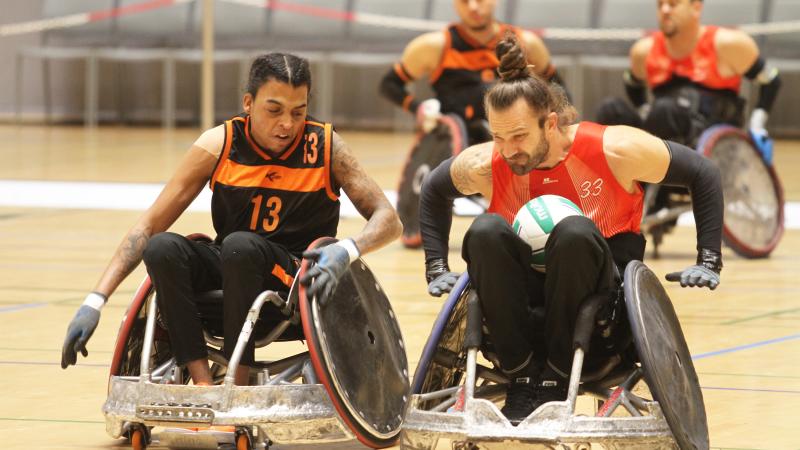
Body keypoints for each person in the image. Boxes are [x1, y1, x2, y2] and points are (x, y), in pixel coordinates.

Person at [419, 33, 724, 425]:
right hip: (523, 316)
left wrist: (709, 259)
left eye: (519, 136)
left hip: (603, 316)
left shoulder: (614, 150)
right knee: (484, 230)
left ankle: (558, 377)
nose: (507, 149)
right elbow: (432, 191)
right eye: (498, 137)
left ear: (550, 123)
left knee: (575, 232)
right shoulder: (488, 163)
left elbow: (704, 172)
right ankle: (522, 373)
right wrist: (436, 267)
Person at [60, 53, 402, 387]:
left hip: (295, 279)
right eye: (275, 110)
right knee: (162, 247)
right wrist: (95, 301)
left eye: (299, 112)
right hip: (235, 265)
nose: (287, 123)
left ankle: (237, 388)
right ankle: (204, 385)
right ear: (249, 103)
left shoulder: (325, 146)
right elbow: (148, 226)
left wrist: (348, 250)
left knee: (240, 245)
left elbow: (389, 219)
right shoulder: (219, 143)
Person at [380, 0, 567, 247]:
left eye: (480, 0)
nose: (474, 8)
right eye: (465, 1)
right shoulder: (434, 46)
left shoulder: (526, 43)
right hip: (460, 143)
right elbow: (389, 84)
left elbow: (560, 93)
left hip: (516, 138)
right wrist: (419, 108)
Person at [596, 0, 781, 160]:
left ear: (696, 8)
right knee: (611, 109)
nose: (665, 10)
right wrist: (644, 110)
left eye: (673, 4)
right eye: (660, 4)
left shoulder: (728, 44)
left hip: (706, 142)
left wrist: (757, 126)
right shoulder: (644, 51)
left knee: (663, 110)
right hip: (658, 132)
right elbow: (632, 83)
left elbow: (771, 80)